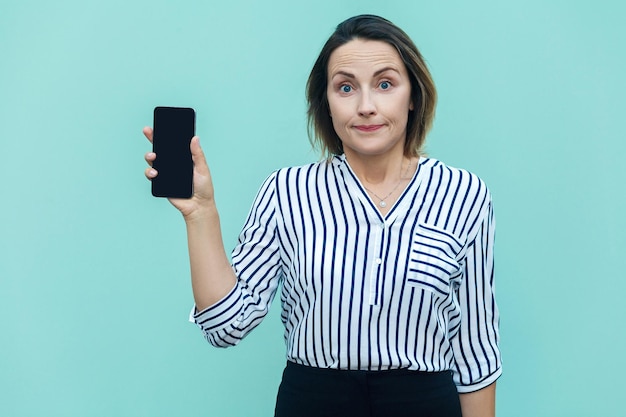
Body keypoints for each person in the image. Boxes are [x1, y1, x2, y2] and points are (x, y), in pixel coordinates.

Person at [143, 14, 501, 417]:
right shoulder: (287, 192)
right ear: (326, 102)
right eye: (345, 87)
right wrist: (201, 215)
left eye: (385, 84)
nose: (367, 106)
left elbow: (475, 352)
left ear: (412, 94)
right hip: (314, 402)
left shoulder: (464, 194)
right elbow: (226, 325)